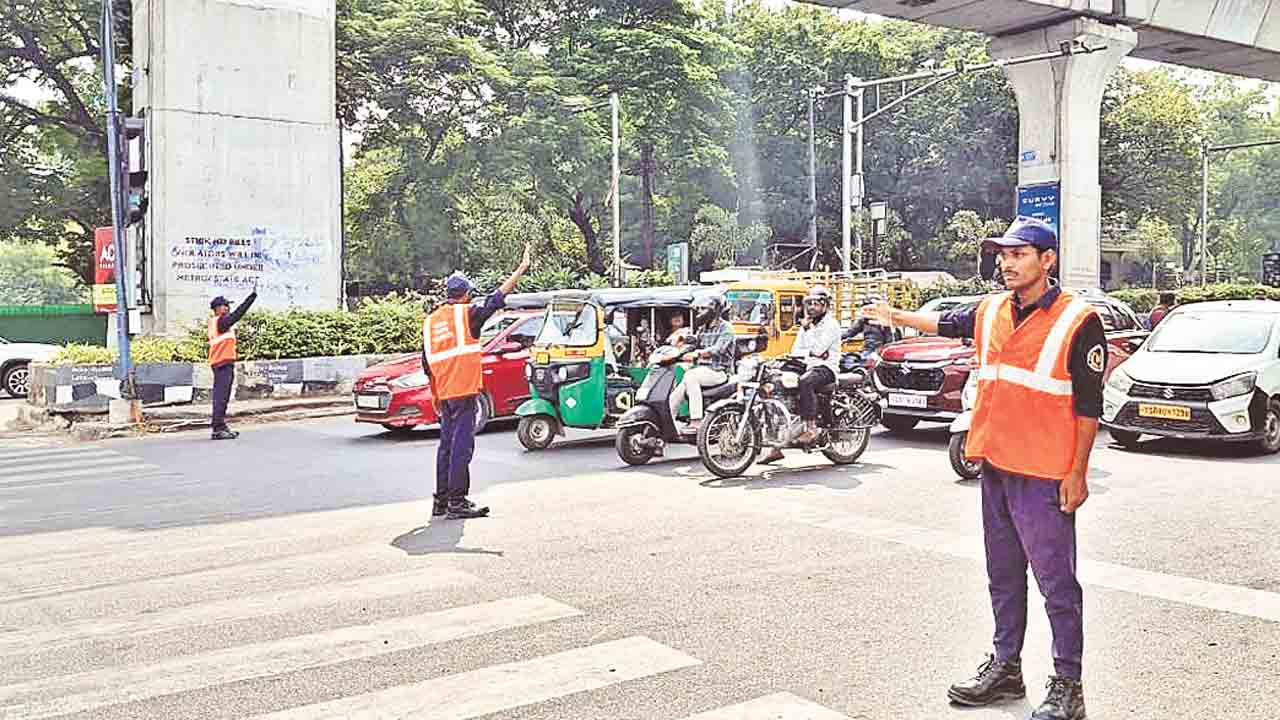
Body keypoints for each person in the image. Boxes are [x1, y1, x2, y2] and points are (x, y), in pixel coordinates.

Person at [860, 216, 1105, 720]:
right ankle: (1007, 667)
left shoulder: (1077, 320)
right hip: (995, 464)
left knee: (1057, 584)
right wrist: (894, 315)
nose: (1007, 263)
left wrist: (1077, 474)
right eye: (1003, 254)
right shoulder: (991, 309)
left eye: (1019, 254)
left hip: (1045, 473)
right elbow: (945, 323)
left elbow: (1088, 407)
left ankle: (1069, 685)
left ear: (1047, 259)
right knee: (1003, 576)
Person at [425, 244, 532, 520]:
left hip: (444, 393)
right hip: (464, 391)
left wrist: (436, 395)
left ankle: (441, 501)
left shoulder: (431, 322)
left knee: (446, 446)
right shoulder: (468, 315)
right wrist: (521, 269)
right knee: (462, 447)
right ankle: (457, 502)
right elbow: (497, 297)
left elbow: (427, 365)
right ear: (466, 294)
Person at [760, 285, 841, 463]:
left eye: (816, 304)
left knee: (805, 382)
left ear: (825, 306)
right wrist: (804, 347)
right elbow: (796, 349)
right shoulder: (807, 325)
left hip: (826, 368)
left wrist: (807, 331)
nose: (811, 308)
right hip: (807, 364)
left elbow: (818, 350)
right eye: (809, 304)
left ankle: (811, 428)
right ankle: (777, 444)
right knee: (775, 379)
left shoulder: (831, 325)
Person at [669, 295, 736, 435]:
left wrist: (697, 354)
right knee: (679, 389)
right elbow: (694, 343)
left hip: (718, 371)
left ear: (715, 310)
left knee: (690, 376)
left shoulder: (726, 328)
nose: (699, 312)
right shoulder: (703, 328)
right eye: (699, 309)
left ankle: (696, 421)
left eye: (703, 309)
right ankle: (667, 420)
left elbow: (718, 349)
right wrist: (677, 352)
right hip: (702, 370)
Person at [207, 287, 257, 440]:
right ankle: (217, 429)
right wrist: (251, 298)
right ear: (217, 308)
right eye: (225, 305)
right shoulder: (221, 321)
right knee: (221, 397)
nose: (228, 308)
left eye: (228, 306)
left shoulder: (219, 323)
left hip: (222, 363)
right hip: (222, 363)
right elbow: (237, 315)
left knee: (223, 396)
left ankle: (221, 426)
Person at [842, 292, 894, 357]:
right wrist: (836, 336)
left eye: (871, 310)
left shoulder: (885, 322)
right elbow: (850, 332)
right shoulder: (864, 321)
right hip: (866, 350)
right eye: (865, 310)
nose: (868, 312)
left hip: (880, 353)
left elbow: (890, 341)